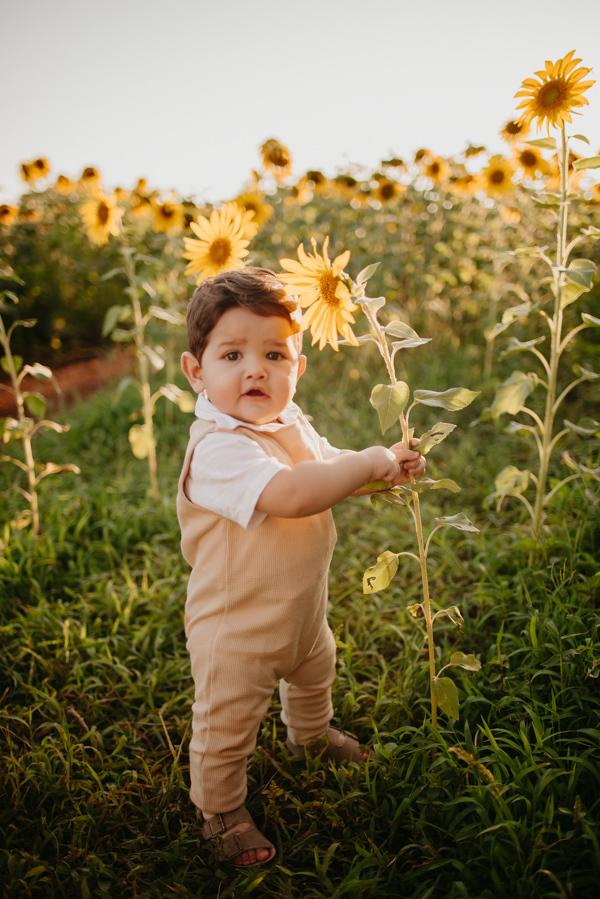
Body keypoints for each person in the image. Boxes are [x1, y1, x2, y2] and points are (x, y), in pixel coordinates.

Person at [177, 267, 426, 867]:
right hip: (237, 629)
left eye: (274, 354)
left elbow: (327, 468)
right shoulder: (217, 448)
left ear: (299, 367)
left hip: (301, 614)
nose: (255, 370)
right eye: (232, 355)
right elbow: (293, 493)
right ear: (196, 371)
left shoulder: (290, 424)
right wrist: (367, 460)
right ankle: (221, 810)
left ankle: (309, 738)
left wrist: (383, 469)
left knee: (316, 674)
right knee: (227, 725)